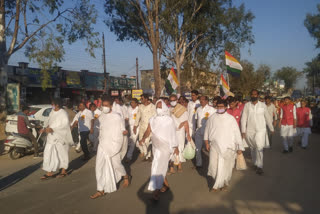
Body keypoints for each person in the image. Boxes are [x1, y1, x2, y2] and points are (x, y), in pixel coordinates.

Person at [90, 97, 130, 199]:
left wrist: (124, 132)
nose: (104, 107)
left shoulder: (117, 116)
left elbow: (122, 129)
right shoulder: (101, 116)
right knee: (99, 166)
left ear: (111, 106)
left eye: (106, 105)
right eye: (103, 105)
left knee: (116, 164)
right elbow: (99, 129)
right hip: (103, 144)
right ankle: (100, 189)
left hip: (114, 144)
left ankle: (125, 176)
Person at [139, 100, 178, 201]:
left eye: (160, 107)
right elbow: (148, 130)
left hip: (165, 148)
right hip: (155, 147)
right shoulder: (152, 119)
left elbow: (173, 134)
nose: (158, 109)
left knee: (158, 168)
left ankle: (156, 191)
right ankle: (164, 185)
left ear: (165, 107)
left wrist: (176, 147)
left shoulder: (169, 120)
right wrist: (143, 138)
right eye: (157, 107)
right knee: (158, 167)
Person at [204, 99, 244, 192]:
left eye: (221, 107)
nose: (219, 108)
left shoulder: (231, 118)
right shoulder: (212, 117)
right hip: (214, 145)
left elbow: (237, 133)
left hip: (228, 147)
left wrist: (240, 147)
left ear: (226, 107)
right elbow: (207, 130)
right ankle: (218, 183)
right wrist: (206, 143)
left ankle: (221, 184)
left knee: (226, 167)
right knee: (213, 165)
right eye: (218, 107)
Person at [241, 89, 274, 175]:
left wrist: (271, 128)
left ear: (258, 96)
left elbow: (267, 117)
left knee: (259, 147)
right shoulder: (247, 105)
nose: (253, 96)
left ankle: (260, 166)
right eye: (252, 94)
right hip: (250, 130)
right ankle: (255, 163)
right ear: (250, 95)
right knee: (253, 148)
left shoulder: (263, 105)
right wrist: (243, 130)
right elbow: (244, 118)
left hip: (261, 130)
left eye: (255, 94)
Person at [41, 98, 73, 180]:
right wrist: (44, 129)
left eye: (53, 104)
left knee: (62, 154)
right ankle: (49, 172)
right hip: (51, 137)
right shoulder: (52, 112)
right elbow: (49, 122)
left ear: (57, 104)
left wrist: (53, 129)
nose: (52, 106)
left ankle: (63, 171)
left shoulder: (63, 114)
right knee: (48, 153)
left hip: (60, 138)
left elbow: (65, 126)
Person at [168, 94, 191, 173]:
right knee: (171, 148)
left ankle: (179, 164)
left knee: (180, 148)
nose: (172, 102)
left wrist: (188, 134)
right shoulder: (168, 110)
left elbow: (185, 122)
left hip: (180, 132)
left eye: (174, 100)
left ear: (177, 100)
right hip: (170, 131)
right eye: (171, 100)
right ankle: (171, 167)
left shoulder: (182, 109)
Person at [194, 95, 216, 168]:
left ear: (207, 101)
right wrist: (195, 130)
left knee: (209, 148)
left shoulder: (212, 109)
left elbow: (214, 122)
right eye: (200, 99)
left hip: (208, 132)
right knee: (197, 148)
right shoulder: (198, 109)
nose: (201, 101)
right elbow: (196, 120)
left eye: (203, 99)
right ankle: (199, 164)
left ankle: (212, 164)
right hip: (199, 131)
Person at [133, 94, 156, 161]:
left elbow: (155, 117)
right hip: (142, 126)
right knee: (141, 141)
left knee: (146, 141)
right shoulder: (140, 106)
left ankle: (148, 156)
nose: (141, 100)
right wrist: (135, 126)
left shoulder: (152, 106)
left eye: (142, 99)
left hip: (149, 126)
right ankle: (145, 154)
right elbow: (138, 116)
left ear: (146, 99)